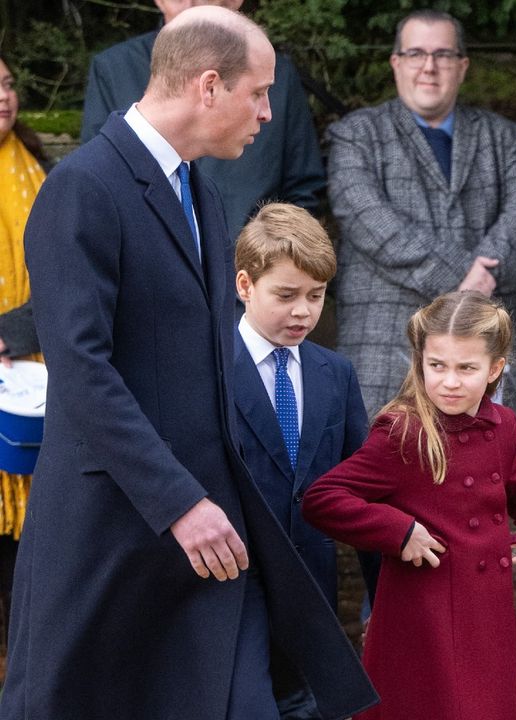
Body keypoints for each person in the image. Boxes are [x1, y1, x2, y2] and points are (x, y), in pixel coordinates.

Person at [3, 8, 376, 719]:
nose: (268, 113)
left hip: (205, 541)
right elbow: (82, 372)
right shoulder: (83, 188)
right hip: (109, 535)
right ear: (209, 86)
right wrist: (177, 502)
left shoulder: (198, 190)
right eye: (258, 93)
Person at [303, 290, 516, 720]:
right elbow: (324, 498)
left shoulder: (503, 426)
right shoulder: (403, 431)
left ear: (495, 369)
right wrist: (397, 531)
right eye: (437, 366)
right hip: (425, 622)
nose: (449, 381)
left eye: (467, 368)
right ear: (420, 361)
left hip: (489, 618)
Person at [327, 9, 516, 460]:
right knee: (388, 495)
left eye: (443, 54)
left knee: (494, 488)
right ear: (396, 62)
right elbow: (369, 220)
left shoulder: (505, 138)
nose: (429, 66)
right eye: (416, 53)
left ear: (462, 66)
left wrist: (483, 276)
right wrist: (467, 279)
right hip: (388, 343)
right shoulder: (355, 136)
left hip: (489, 347)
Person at [231, 202, 378, 619]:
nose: (303, 310)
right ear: (245, 285)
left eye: (316, 295)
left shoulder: (336, 373)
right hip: (234, 588)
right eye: (286, 295)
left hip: (315, 590)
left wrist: (381, 600)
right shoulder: (208, 368)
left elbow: (362, 487)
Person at [81, 0, 325, 237]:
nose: (195, 6)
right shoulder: (115, 69)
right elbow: (102, 175)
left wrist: (268, 261)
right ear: (209, 87)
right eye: (257, 94)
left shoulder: (275, 72)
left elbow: (303, 188)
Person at [0, 53, 45, 634]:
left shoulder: (41, 170)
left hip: (27, 381)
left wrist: (10, 334)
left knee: (24, 554)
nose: (3, 95)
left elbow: (68, 278)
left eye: (8, 83)